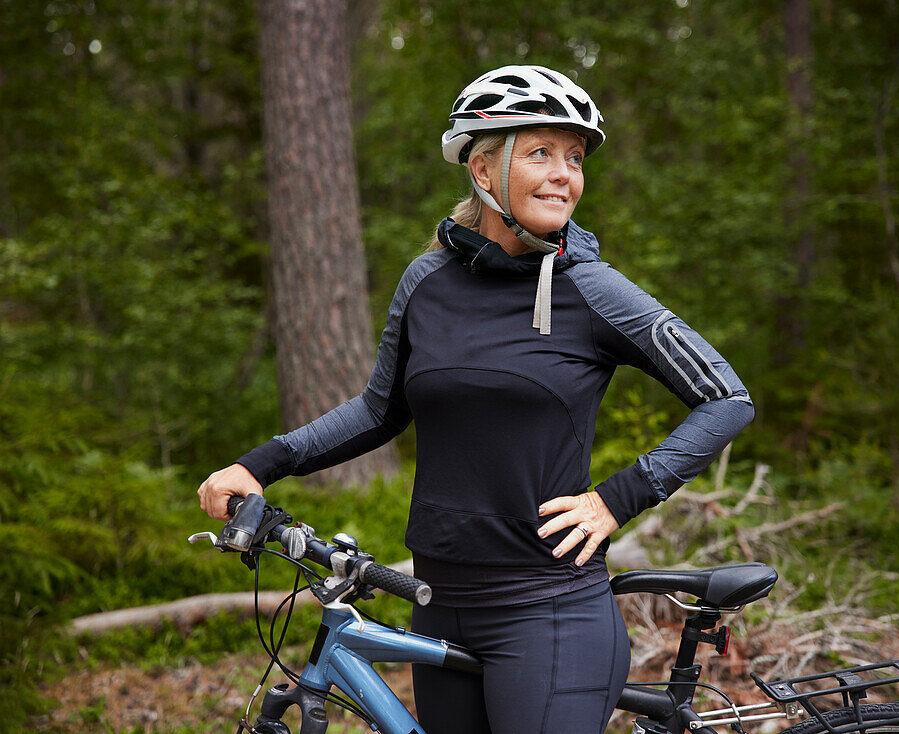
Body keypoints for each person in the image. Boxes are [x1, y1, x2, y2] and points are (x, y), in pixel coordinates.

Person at [198, 64, 753, 734]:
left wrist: (617, 498)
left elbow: (725, 397)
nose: (564, 174)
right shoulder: (427, 281)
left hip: (549, 613)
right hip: (436, 603)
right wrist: (260, 464)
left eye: (574, 158)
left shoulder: (593, 289)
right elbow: (379, 410)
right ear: (485, 171)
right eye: (541, 153)